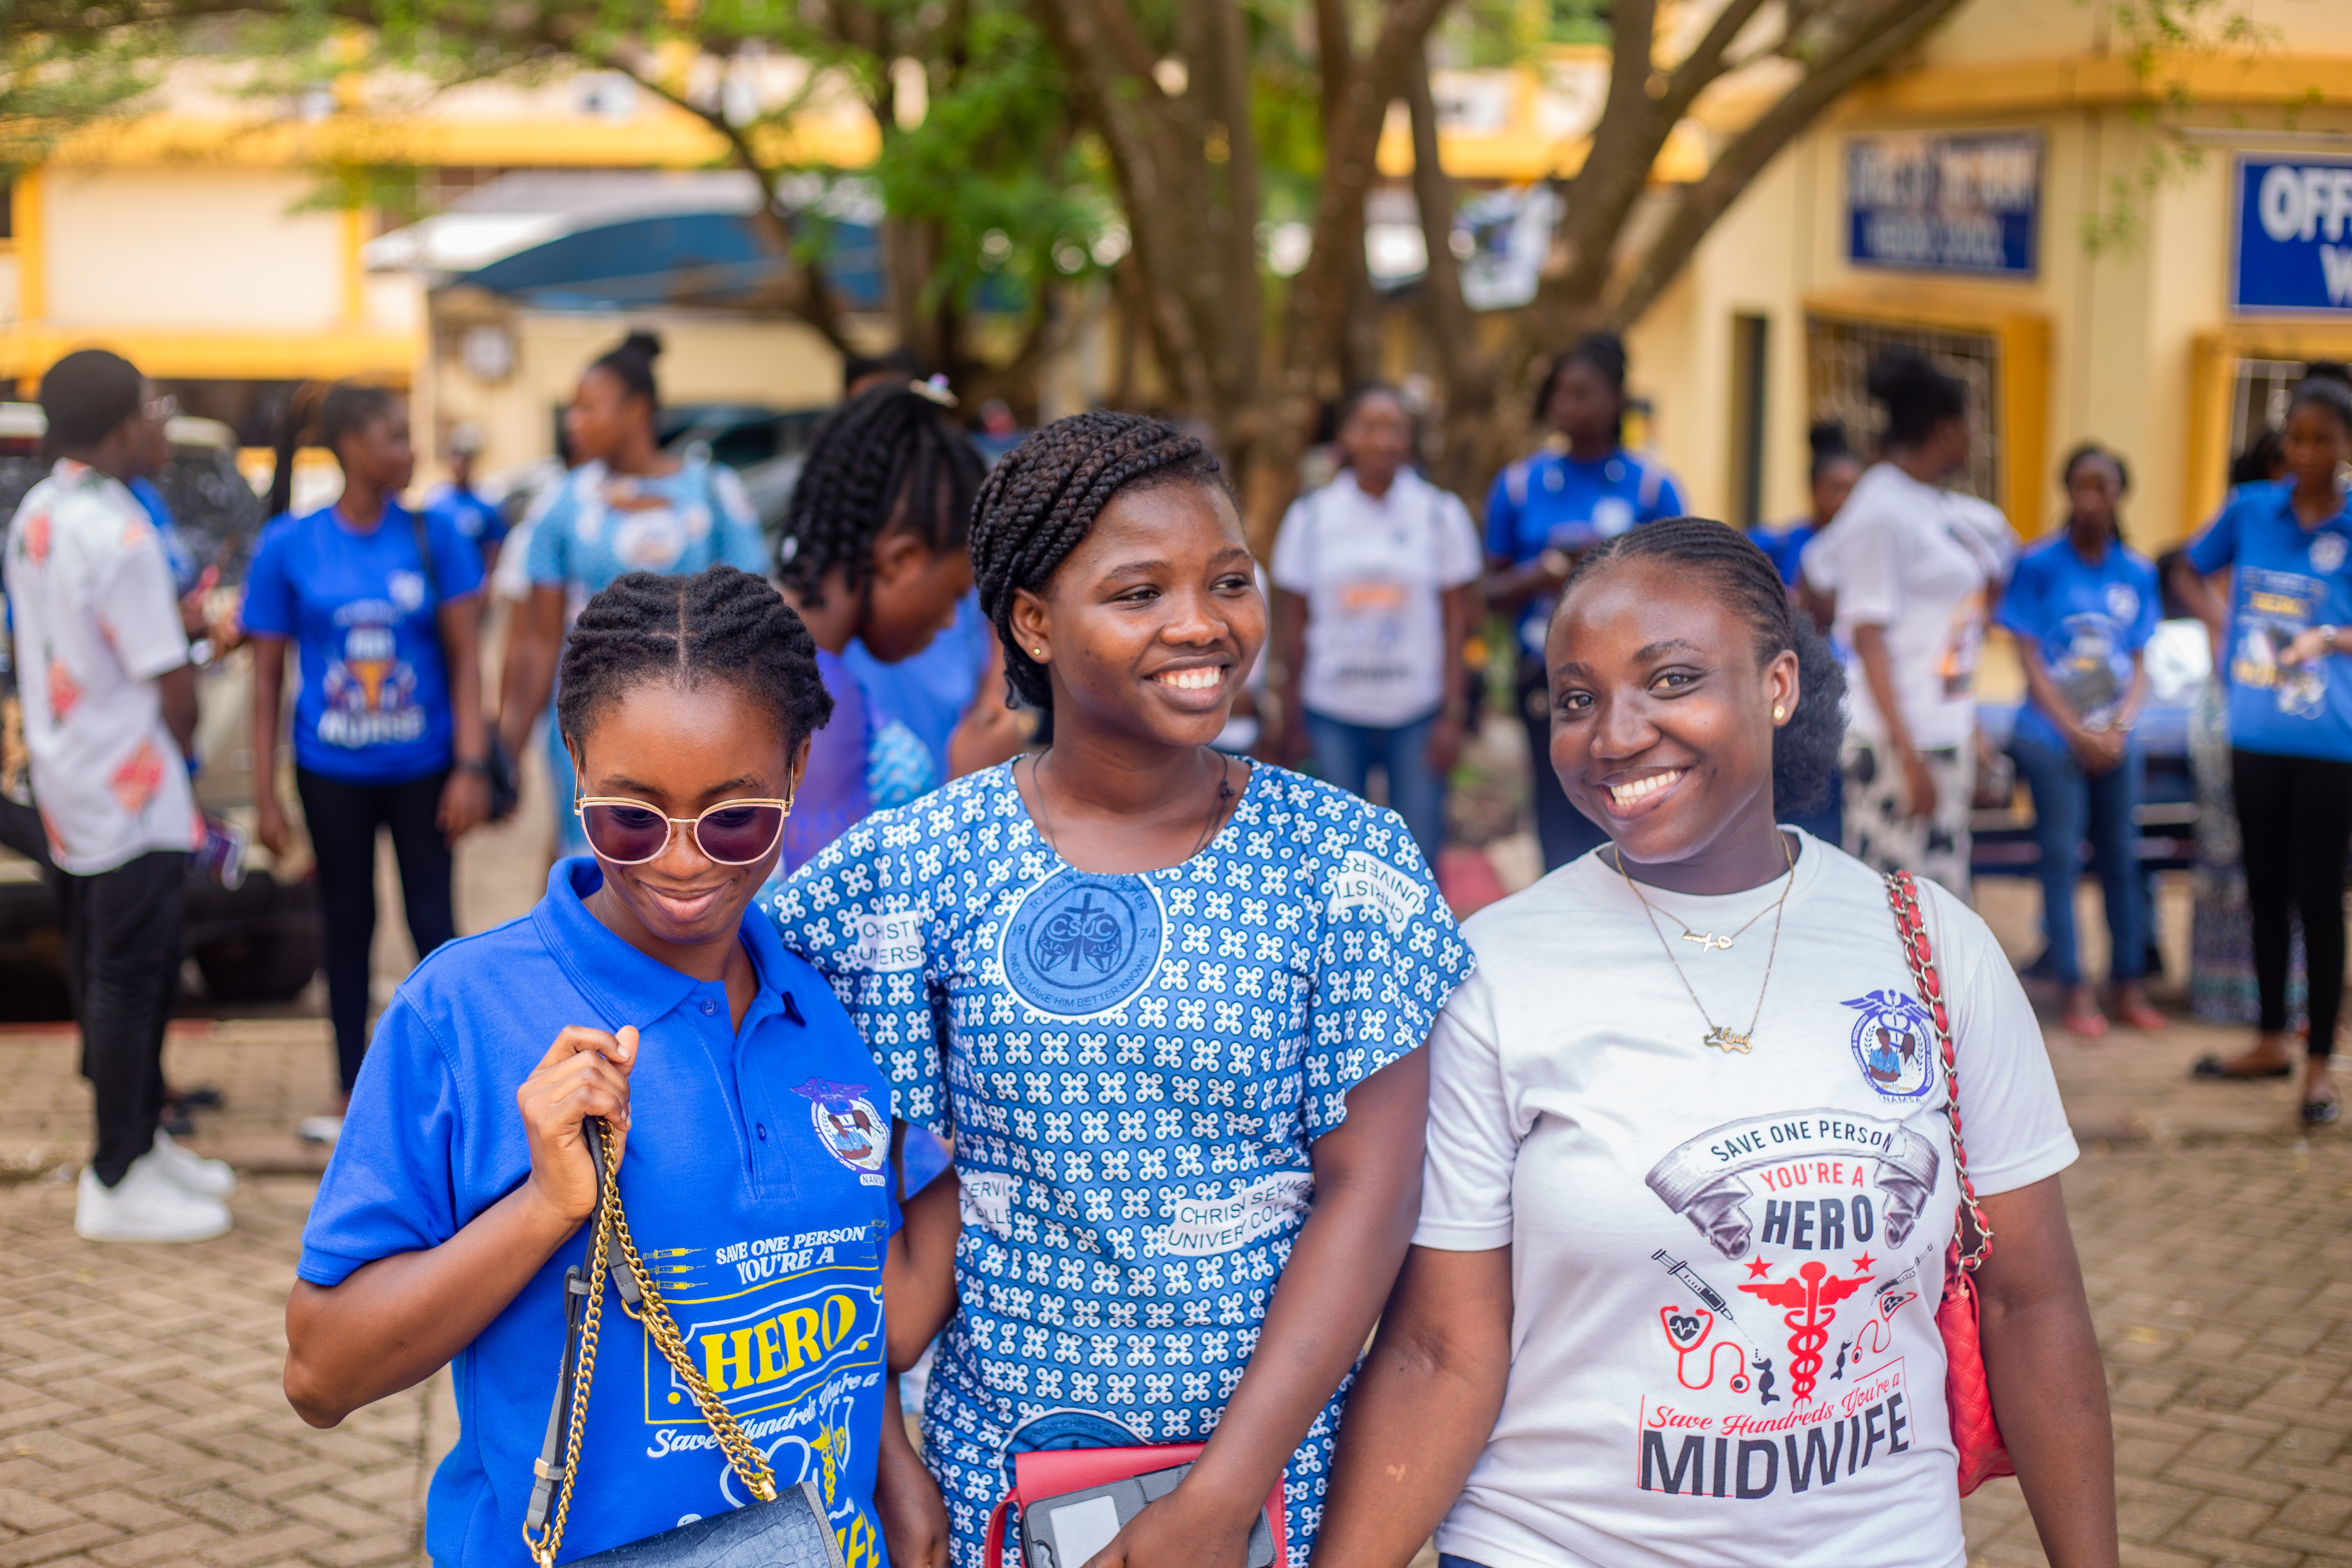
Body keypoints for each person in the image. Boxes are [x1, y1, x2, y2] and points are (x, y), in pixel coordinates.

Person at [1317, 517, 2116, 1568]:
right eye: (1576, 698)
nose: (1613, 735)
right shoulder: (1491, 973)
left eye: (1671, 680)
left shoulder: (1929, 947)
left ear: (1777, 686)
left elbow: (2030, 1303)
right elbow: (1437, 1352)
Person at [770, 411, 1474, 1568]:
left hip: (1268, 1495)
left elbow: (1373, 1193)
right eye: (1139, 592)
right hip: (996, 1495)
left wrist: (1216, 1501)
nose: (1201, 623)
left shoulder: (1345, 864)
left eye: (1229, 581)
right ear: (1033, 623)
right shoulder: (914, 867)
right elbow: (828, 1184)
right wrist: (887, 1456)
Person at [284, 566, 932, 1566]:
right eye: (631, 816)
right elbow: (322, 1374)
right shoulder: (463, 1012)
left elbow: (851, 1310)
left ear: (798, 769)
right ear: (575, 761)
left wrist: (893, 1470)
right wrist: (543, 1207)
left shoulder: (829, 1008)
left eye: (736, 818)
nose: (682, 863)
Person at [5, 348, 234, 1242]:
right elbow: (170, 684)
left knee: (120, 965)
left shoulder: (42, 510)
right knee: (133, 977)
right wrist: (185, 730)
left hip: (72, 778)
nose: (161, 421)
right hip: (132, 791)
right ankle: (115, 1177)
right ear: (121, 424)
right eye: (152, 406)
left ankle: (142, 1145)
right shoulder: (123, 532)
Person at [242, 384, 492, 1143]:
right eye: (394, 437)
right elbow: (266, 678)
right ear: (352, 447)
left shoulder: (436, 535)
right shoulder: (289, 545)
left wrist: (471, 765)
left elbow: (466, 658)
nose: (409, 451)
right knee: (346, 925)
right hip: (330, 773)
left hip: (425, 770)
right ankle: (351, 1092)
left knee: (433, 922)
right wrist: (265, 795)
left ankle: (463, 1088)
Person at [499, 331, 769, 856]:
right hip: (590, 724)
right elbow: (538, 640)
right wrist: (507, 749)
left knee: (687, 856)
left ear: (638, 411)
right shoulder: (561, 503)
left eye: (589, 408)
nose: (573, 422)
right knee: (596, 858)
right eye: (572, 409)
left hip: (699, 723)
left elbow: (754, 619)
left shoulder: (713, 493)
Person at [2169, 373, 2352, 1125]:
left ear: (2345, 444)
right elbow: (2185, 567)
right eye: (2296, 438)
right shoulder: (2250, 509)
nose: (2305, 453)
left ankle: (2319, 1067)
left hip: (2331, 741)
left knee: (2320, 898)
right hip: (2252, 731)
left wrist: (2329, 637)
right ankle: (2271, 1039)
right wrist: (2221, 624)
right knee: (2265, 891)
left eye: (2322, 440)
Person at [1802, 349, 2013, 898]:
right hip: (1896, 744)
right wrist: (1908, 755)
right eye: (1970, 427)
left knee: (1941, 903)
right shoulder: (1881, 510)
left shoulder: (1933, 504)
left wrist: (1971, 732)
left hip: (1941, 733)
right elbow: (1868, 637)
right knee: (1890, 901)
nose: (1974, 440)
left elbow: (1941, 634)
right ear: (1944, 430)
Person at [1483, 332, 1686, 870]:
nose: (1566, 406)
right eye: (1560, 394)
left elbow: (1682, 588)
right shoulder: (1519, 485)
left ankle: (1635, 892)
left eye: (1582, 393)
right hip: (1545, 672)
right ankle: (1565, 901)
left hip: (1635, 678)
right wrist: (1542, 576)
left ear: (1615, 401)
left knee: (1627, 791)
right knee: (1558, 799)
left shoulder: (1652, 488)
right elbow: (1490, 593)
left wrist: (1607, 571)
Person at [771, 380, 987, 869]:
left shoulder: (753, 641)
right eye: (956, 593)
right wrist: (970, 793)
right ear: (902, 560)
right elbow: (824, 894)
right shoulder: (817, 691)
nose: (951, 618)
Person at [1268, 383, 1482, 865]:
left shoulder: (1440, 513)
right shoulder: (1311, 516)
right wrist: (1289, 711)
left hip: (1418, 712)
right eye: (1369, 428)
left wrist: (1453, 713)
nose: (1382, 441)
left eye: (1395, 429)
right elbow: (1293, 623)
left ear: (1410, 438)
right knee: (1333, 853)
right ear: (1344, 435)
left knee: (1419, 854)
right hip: (1331, 711)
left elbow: (1457, 621)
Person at [1999, 445, 2162, 1038]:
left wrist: (2119, 726)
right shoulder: (2037, 565)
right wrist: (2074, 731)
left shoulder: (2136, 572)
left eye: (2103, 488)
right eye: (2081, 487)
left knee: (2122, 857)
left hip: (2115, 738)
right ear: (2067, 491)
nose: (2091, 499)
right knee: (2061, 858)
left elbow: (2140, 662)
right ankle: (2073, 986)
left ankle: (2128, 983)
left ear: (2121, 495)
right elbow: (2030, 657)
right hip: (2050, 738)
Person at [1752, 421, 1862, 591]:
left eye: (1854, 490)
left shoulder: (1865, 543)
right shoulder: (1788, 543)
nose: (1844, 500)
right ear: (1814, 489)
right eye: (1835, 489)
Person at [420, 422, 506, 573]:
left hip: (476, 579)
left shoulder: (486, 501)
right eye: (454, 457)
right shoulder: (435, 500)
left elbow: (493, 547)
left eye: (464, 458)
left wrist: (488, 578)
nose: (458, 464)